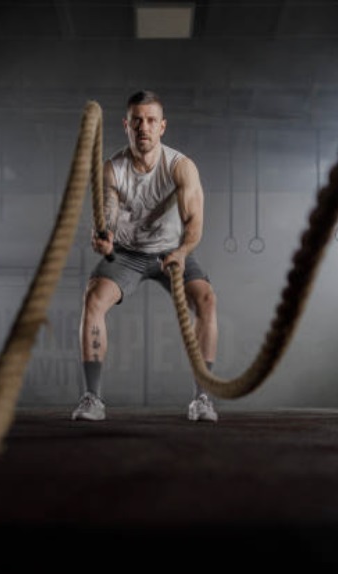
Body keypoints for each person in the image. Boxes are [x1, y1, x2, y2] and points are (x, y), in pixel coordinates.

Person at [72, 89, 219, 422]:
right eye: (137, 120)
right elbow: (106, 221)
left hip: (172, 251)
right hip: (128, 253)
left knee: (207, 300)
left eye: (151, 120)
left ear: (162, 126)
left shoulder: (181, 167)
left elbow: (194, 222)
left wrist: (182, 252)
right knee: (94, 300)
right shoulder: (113, 169)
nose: (144, 127)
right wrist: (104, 240)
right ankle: (92, 398)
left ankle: (202, 399)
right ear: (126, 125)